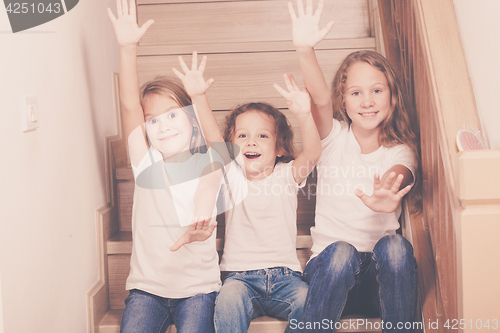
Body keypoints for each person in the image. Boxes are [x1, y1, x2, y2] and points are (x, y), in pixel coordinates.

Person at [288, 0, 420, 332]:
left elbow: (399, 172)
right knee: (342, 252)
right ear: (342, 101)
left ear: (391, 97)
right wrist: (305, 50)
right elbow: (318, 100)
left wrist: (388, 190)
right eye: (356, 92)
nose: (367, 101)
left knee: (396, 246)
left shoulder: (400, 149)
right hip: (331, 276)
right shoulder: (333, 138)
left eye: (377, 90)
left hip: (380, 281)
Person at [107, 1, 223, 332]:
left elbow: (215, 160)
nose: (164, 125)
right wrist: (128, 48)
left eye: (173, 114)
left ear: (193, 122)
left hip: (198, 292)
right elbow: (129, 104)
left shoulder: (208, 163)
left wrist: (199, 98)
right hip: (147, 290)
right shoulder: (147, 164)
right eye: (153, 120)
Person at [213, 74, 322, 333]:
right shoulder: (232, 176)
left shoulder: (287, 175)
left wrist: (305, 115)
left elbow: (313, 153)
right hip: (239, 278)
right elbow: (212, 140)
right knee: (226, 301)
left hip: (287, 278)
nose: (251, 141)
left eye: (262, 136)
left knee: (311, 303)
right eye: (242, 136)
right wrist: (197, 96)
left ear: (279, 148)